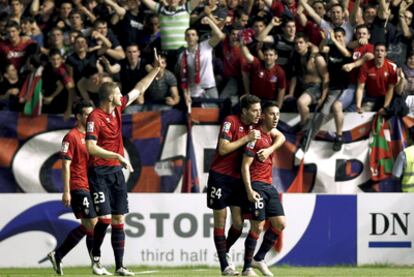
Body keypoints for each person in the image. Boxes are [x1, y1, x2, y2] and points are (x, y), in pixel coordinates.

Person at [85, 51, 161, 276]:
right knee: (105, 219)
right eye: (118, 93)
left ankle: (119, 266)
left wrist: (156, 69)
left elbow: (139, 89)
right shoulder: (94, 118)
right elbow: (90, 147)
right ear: (110, 97)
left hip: (115, 172)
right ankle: (96, 257)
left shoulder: (118, 109)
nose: (122, 95)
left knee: (118, 218)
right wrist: (116, 156)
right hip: (98, 171)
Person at [47, 99, 97, 276]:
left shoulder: (92, 136)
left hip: (91, 185)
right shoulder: (71, 136)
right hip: (78, 185)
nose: (90, 117)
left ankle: (58, 254)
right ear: (78, 116)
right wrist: (66, 190)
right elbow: (65, 165)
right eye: (86, 114)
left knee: (89, 225)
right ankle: (95, 264)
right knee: (93, 223)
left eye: (92, 113)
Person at [241, 101, 286, 277]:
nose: (276, 118)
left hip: (269, 185)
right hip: (256, 185)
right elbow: (245, 166)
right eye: (272, 114)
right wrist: (249, 189)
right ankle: (246, 268)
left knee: (280, 224)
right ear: (262, 116)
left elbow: (281, 137)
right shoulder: (256, 136)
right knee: (257, 226)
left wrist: (269, 150)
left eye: (278, 114)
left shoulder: (270, 136)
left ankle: (258, 258)